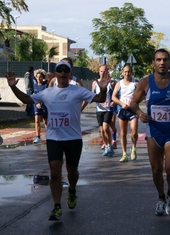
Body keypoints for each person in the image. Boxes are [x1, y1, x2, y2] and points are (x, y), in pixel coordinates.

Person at [6, 60, 111, 221]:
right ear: (55, 74)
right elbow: (27, 99)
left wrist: (103, 90)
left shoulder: (77, 91)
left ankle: (72, 190)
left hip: (73, 138)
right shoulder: (47, 92)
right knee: (55, 173)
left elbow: (99, 98)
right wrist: (13, 86)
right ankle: (56, 206)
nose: (62, 73)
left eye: (65, 71)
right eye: (59, 70)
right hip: (54, 139)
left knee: (72, 171)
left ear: (70, 74)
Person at [130, 48, 170, 216]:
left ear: (169, 62)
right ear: (153, 63)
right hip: (153, 132)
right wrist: (140, 114)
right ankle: (161, 197)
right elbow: (133, 103)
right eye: (158, 60)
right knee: (156, 170)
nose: (162, 63)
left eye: (165, 60)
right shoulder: (145, 82)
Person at [112, 65, 139, 162]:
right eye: (125, 72)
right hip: (122, 110)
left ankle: (133, 148)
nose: (127, 74)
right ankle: (124, 154)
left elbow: (142, 95)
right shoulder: (119, 84)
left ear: (131, 72)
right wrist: (121, 103)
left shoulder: (135, 83)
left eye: (129, 72)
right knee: (123, 133)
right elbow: (113, 97)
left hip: (133, 110)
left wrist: (135, 102)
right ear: (122, 73)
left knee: (134, 132)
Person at [92, 64, 114, 156]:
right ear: (99, 72)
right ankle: (107, 145)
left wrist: (113, 101)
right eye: (101, 71)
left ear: (107, 72)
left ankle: (110, 145)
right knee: (102, 130)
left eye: (105, 71)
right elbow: (92, 95)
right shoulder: (95, 83)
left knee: (105, 128)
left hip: (108, 108)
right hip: (99, 109)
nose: (103, 73)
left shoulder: (111, 83)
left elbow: (116, 95)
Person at [32, 70, 48, 144]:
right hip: (36, 105)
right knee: (37, 120)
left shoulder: (46, 85)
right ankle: (37, 137)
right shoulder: (34, 85)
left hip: (44, 105)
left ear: (43, 77)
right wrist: (36, 103)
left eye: (40, 77)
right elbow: (33, 95)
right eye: (37, 77)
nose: (39, 78)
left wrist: (41, 102)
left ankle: (49, 136)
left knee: (45, 121)